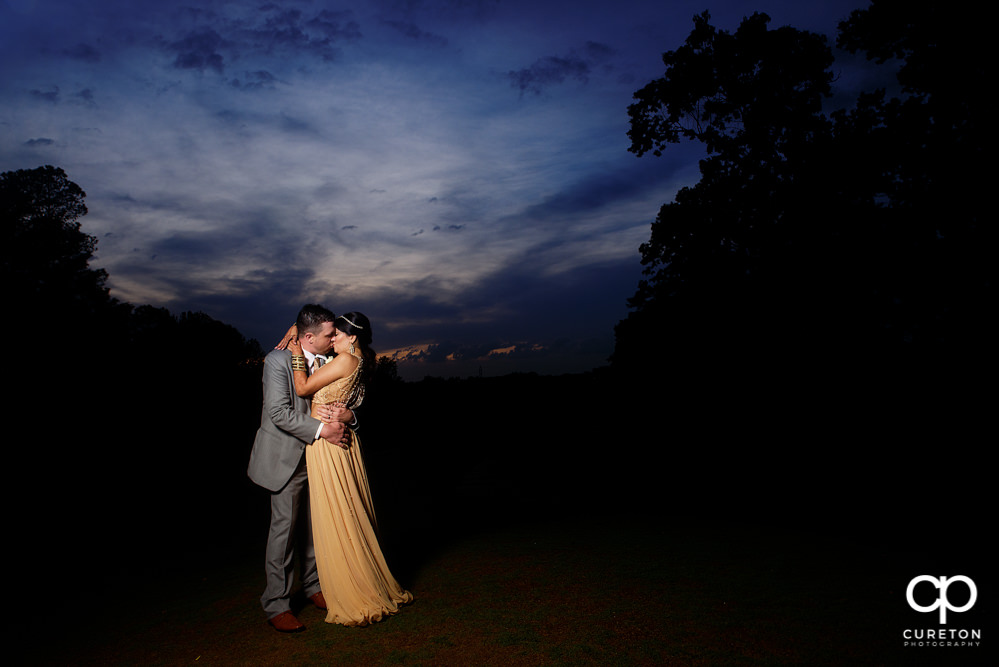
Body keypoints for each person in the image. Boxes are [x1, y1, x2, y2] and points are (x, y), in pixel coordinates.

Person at [287, 311, 413, 626]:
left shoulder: (344, 359)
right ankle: (350, 578)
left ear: (352, 337)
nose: (332, 341)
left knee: (339, 512)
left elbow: (302, 389)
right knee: (346, 510)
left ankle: (354, 588)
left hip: (329, 447)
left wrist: (293, 354)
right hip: (340, 439)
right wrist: (348, 416)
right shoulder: (354, 358)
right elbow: (352, 405)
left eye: (337, 336)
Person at [248, 304, 356, 633]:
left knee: (315, 528)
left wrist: (343, 419)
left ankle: (313, 586)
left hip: (319, 459)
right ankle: (277, 604)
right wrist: (323, 430)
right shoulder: (277, 361)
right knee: (285, 532)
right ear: (308, 337)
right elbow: (279, 413)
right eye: (328, 334)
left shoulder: (329, 361)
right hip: (286, 460)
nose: (333, 336)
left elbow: (345, 401)